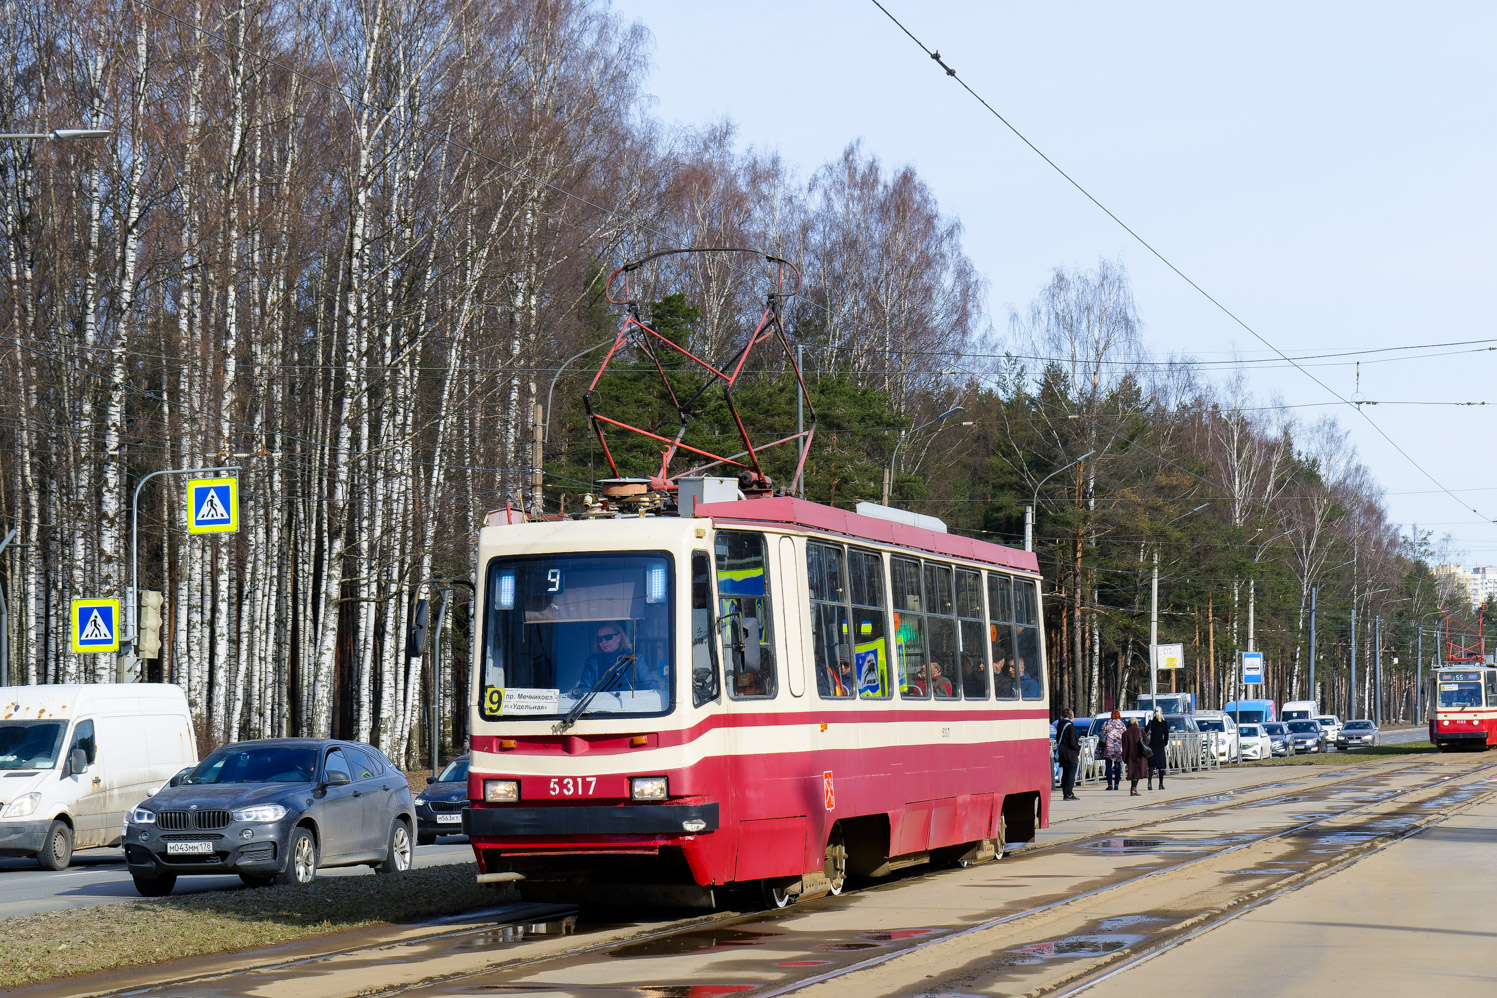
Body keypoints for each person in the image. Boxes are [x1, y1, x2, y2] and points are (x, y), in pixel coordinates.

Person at [573, 622, 636, 693]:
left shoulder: (634, 659)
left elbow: (648, 686)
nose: (603, 642)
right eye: (600, 639)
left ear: (619, 637)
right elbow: (584, 689)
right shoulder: (592, 663)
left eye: (608, 637)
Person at [1056, 707, 1081, 800]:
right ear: (1071, 715)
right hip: (1071, 754)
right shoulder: (1070, 726)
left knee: (1065, 774)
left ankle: (1065, 793)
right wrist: (1077, 748)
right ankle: (1069, 793)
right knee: (1071, 774)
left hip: (1062, 753)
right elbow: (1072, 742)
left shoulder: (1060, 725)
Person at [1099, 710, 1125, 790]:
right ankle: (1116, 785)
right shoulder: (1121, 724)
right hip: (1118, 748)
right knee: (1118, 766)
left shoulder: (1106, 723)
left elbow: (1101, 733)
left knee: (1108, 766)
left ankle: (1110, 784)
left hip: (1109, 747)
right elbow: (1124, 734)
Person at [1122, 717, 1148, 796]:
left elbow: (1124, 746)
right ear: (1136, 723)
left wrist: (1124, 757)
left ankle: (1133, 789)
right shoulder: (1140, 731)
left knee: (1133, 772)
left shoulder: (1125, 733)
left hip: (1130, 755)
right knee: (1138, 773)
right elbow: (1146, 742)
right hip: (1140, 755)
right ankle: (1133, 789)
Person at [1146, 707, 1170, 790]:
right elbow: (1166, 736)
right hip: (1160, 746)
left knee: (1151, 766)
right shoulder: (1164, 724)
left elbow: (1145, 733)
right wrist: (1164, 743)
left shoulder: (1151, 723)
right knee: (1161, 766)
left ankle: (1149, 782)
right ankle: (1160, 784)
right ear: (1161, 713)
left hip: (1152, 745)